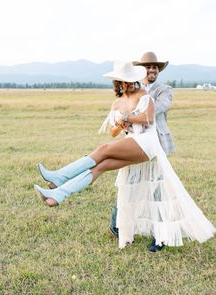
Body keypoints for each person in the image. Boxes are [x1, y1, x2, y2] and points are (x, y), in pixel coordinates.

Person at [34, 61, 215, 250]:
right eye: (125, 82)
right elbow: (114, 132)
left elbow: (148, 119)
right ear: (118, 83)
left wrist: (127, 118)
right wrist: (120, 125)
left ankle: (60, 176)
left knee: (103, 149)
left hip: (147, 142)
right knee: (101, 166)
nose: (129, 85)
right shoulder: (117, 103)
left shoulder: (145, 97)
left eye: (132, 81)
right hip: (131, 141)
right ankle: (58, 194)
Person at [109, 52, 175, 251]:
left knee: (157, 191)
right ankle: (118, 225)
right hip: (134, 145)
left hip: (155, 146)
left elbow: (156, 110)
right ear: (140, 71)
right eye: (148, 67)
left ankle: (160, 237)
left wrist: (128, 116)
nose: (152, 70)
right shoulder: (130, 89)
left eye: (155, 67)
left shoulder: (164, 90)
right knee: (128, 184)